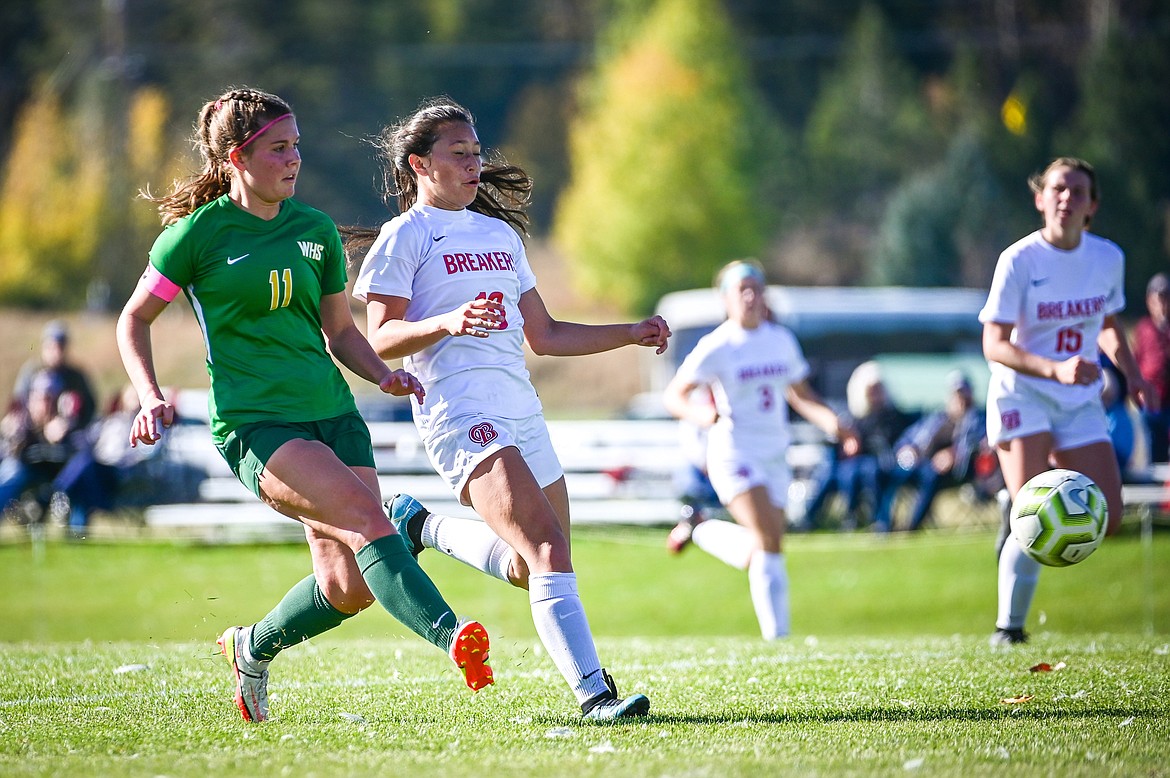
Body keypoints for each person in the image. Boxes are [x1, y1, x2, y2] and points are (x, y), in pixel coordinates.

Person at [116, 87, 492, 723]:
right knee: (369, 521)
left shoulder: (314, 229)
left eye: (297, 147)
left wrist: (383, 375)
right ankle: (452, 635)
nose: (294, 160)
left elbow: (341, 333)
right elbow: (134, 319)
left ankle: (250, 647)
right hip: (257, 426)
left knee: (346, 590)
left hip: (335, 415)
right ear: (237, 157)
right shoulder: (194, 238)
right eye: (279, 149)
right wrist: (149, 395)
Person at [348, 97, 668, 722]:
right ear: (420, 165)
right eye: (458, 154)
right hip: (459, 410)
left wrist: (630, 331)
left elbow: (543, 334)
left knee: (534, 565)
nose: (474, 164)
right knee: (547, 547)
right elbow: (379, 337)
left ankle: (422, 528)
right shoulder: (404, 237)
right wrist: (450, 321)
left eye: (476, 153)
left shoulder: (499, 236)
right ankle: (594, 694)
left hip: (520, 407)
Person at [980, 157, 1154, 646]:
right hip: (1023, 393)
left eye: (1077, 191)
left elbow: (1107, 326)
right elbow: (993, 344)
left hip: (1077, 398)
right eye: (1057, 189)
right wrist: (1054, 368)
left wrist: (1133, 374)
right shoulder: (1018, 260)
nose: (1066, 198)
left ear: (1092, 205)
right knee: (1032, 514)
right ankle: (1008, 630)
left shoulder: (1107, 258)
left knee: (1109, 516)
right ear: (1040, 199)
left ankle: (1019, 496)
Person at [660, 259, 858, 639]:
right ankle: (778, 640)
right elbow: (675, 396)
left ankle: (700, 527)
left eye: (757, 288)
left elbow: (801, 395)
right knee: (768, 539)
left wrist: (834, 424)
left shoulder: (780, 340)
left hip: (774, 454)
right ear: (727, 300)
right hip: (733, 453)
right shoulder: (717, 345)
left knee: (763, 546)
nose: (751, 296)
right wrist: (700, 414)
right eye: (742, 290)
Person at [803, 361, 916, 530]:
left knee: (866, 470)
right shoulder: (855, 419)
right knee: (837, 473)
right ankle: (811, 519)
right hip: (854, 466)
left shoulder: (893, 417)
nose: (875, 395)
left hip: (884, 465)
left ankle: (877, 520)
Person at [876, 371, 986, 532]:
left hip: (953, 471)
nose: (959, 400)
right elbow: (909, 437)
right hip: (919, 464)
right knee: (890, 473)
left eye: (963, 395)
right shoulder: (936, 418)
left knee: (930, 474)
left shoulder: (977, 419)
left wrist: (954, 454)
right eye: (956, 395)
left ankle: (911, 527)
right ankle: (883, 525)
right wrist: (908, 447)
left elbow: (980, 444)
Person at [11, 321, 97, 431]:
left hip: (66, 431)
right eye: (51, 347)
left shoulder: (75, 376)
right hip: (32, 429)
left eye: (60, 347)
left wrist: (70, 424)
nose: (56, 352)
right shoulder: (31, 371)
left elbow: (89, 407)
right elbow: (19, 402)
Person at [1132, 272, 1170, 465]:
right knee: (1152, 448)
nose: (1161, 304)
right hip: (1151, 398)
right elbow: (1137, 359)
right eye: (1157, 298)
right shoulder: (1144, 328)